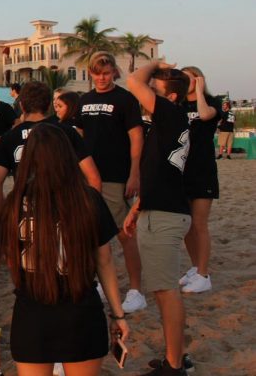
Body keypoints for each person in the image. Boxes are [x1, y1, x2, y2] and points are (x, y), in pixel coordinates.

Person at [0, 124, 129, 375]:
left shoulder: (14, 202)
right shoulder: (88, 198)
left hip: (31, 313)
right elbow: (104, 261)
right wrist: (118, 314)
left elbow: (10, 259)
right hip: (80, 312)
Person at [123, 62, 192, 376]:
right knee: (164, 291)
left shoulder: (171, 113)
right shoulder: (167, 122)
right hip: (158, 210)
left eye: (158, 83)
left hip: (166, 216)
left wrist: (155, 65)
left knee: (167, 291)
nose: (150, 86)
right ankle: (173, 357)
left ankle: (175, 366)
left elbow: (134, 80)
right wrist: (138, 209)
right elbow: (156, 173)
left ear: (172, 95)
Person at [77, 52, 146, 314]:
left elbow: (137, 139)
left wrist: (134, 173)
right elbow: (78, 138)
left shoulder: (125, 99)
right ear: (91, 73)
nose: (102, 78)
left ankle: (136, 290)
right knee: (92, 235)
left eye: (106, 73)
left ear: (114, 72)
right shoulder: (84, 100)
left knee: (124, 234)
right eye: (97, 73)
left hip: (116, 176)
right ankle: (99, 285)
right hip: (88, 177)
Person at [0, 82, 101, 211]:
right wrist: (88, 214)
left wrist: (2, 219)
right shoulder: (66, 131)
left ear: (21, 105)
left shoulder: (9, 138)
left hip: (27, 216)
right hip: (65, 212)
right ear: (49, 105)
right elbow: (93, 178)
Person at [178, 67, 221, 295]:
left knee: (199, 223)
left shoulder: (213, 101)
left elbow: (205, 115)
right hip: (182, 170)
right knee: (186, 225)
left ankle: (204, 275)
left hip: (203, 170)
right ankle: (195, 267)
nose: (186, 82)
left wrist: (201, 91)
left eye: (190, 78)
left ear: (199, 78)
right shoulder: (179, 105)